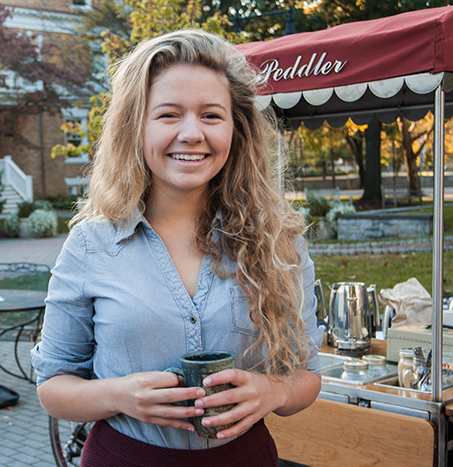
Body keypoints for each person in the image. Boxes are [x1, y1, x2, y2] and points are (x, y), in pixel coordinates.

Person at [31, 29, 323, 466]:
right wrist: (119, 395)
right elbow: (53, 387)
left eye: (211, 115)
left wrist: (275, 391)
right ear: (136, 125)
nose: (192, 133)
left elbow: (307, 375)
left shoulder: (279, 241)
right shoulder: (91, 245)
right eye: (169, 114)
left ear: (235, 128)